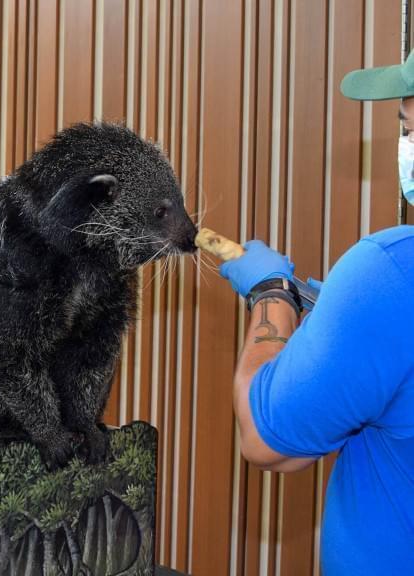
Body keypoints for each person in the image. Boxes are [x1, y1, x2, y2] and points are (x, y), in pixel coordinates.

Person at [218, 53, 414, 574]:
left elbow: (272, 443)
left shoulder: (392, 272)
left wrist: (273, 294)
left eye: (410, 127)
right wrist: (347, 322)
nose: (406, 145)